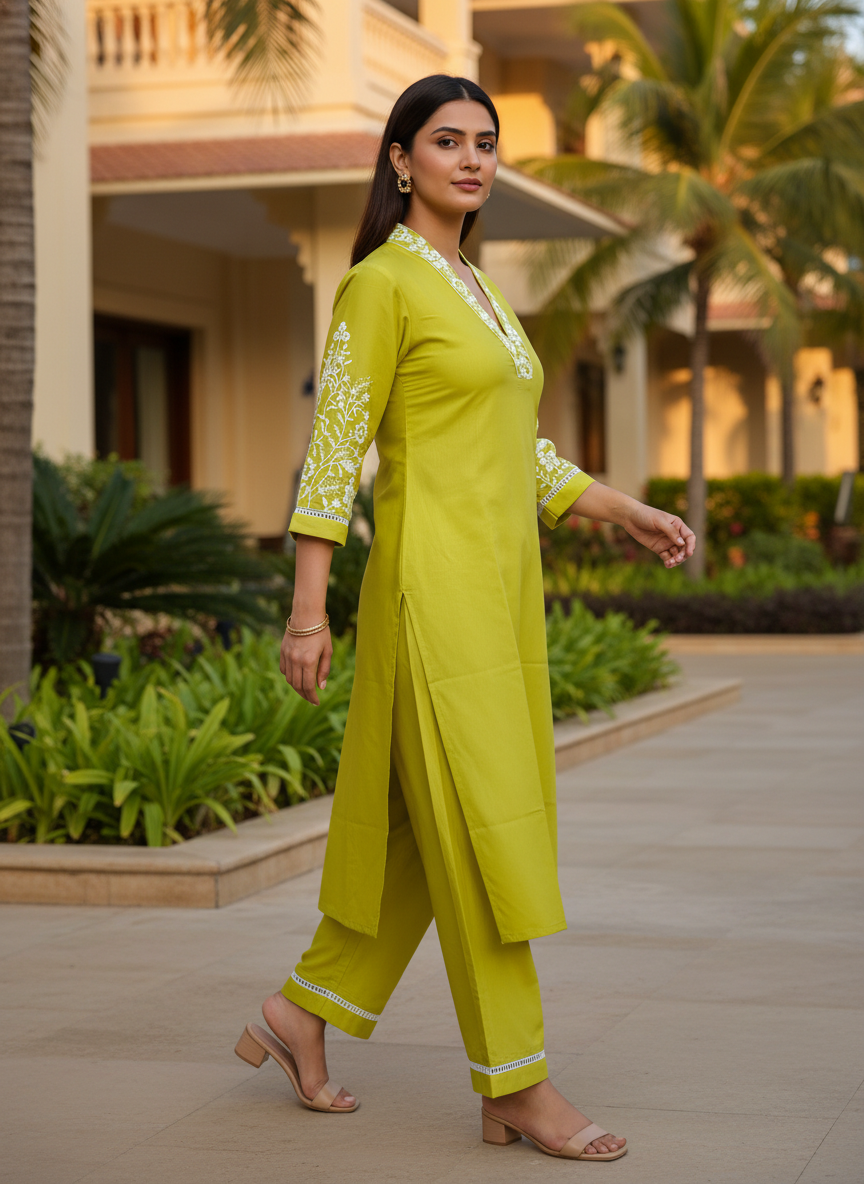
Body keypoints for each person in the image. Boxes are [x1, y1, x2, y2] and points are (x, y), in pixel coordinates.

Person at [234, 74, 695, 1163]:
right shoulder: (380, 285)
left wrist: (618, 505)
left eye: (486, 143)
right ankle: (518, 1082)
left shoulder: (477, 287)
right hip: (429, 597)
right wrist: (309, 613)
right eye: (448, 141)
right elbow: (334, 450)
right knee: (488, 833)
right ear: (401, 160)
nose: (474, 159)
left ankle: (301, 1010)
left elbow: (517, 449)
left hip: (502, 597)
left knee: (420, 837)